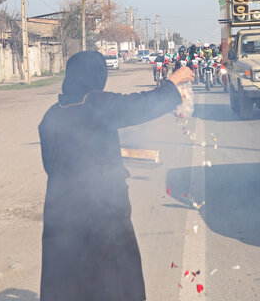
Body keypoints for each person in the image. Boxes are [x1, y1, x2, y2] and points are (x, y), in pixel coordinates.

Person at [38, 51, 193, 301]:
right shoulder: (95, 103)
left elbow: (53, 165)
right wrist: (172, 84)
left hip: (60, 214)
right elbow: (138, 106)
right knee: (112, 282)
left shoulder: (52, 115)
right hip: (100, 216)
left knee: (67, 282)